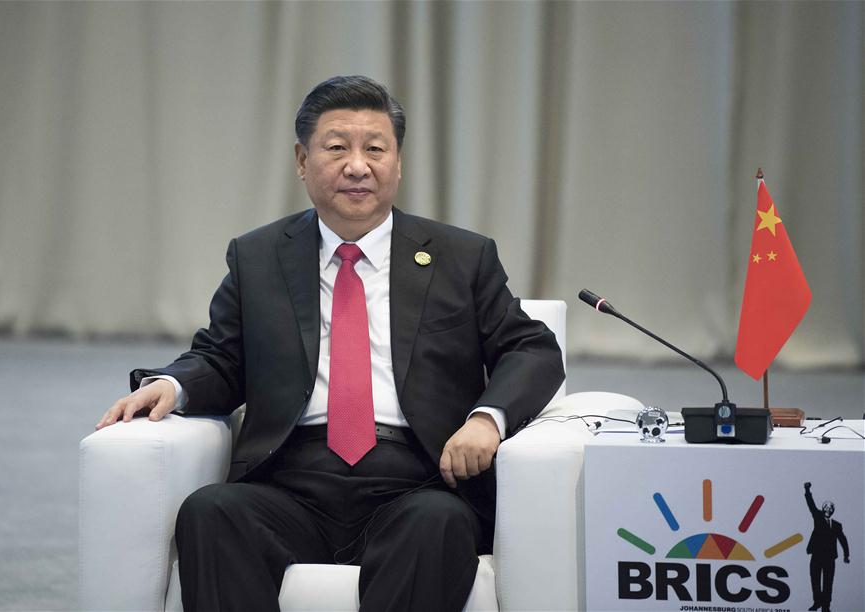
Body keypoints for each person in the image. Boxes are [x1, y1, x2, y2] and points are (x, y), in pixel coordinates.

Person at [97, 75, 564, 612]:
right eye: (337, 148)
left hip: (418, 480)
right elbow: (222, 358)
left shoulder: (462, 257)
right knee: (212, 511)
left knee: (438, 523)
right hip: (292, 479)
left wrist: (487, 420)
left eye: (376, 149)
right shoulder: (258, 257)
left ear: (398, 163)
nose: (358, 166)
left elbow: (531, 348)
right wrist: (174, 385)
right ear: (302, 160)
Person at [803, 482, 850, 612]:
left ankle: (826, 606)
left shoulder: (837, 525)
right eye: (826, 508)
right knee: (815, 580)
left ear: (833, 511)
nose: (828, 510)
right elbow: (811, 505)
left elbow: (843, 540)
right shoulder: (817, 517)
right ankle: (817, 603)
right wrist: (807, 490)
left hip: (829, 558)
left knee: (828, 583)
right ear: (823, 509)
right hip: (816, 555)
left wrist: (846, 555)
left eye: (831, 508)